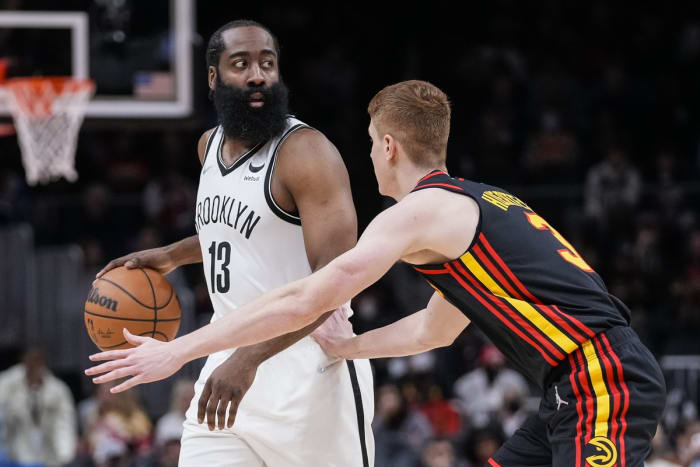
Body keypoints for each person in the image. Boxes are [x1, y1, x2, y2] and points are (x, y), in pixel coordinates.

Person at [87, 80, 667, 466]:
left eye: (369, 144)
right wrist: (348, 347)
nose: (366, 155)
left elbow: (306, 298)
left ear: (388, 147)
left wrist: (179, 351)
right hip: (570, 389)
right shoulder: (469, 207)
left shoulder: (416, 213)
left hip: (602, 379)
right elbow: (433, 332)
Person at [92, 19, 374, 467]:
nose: (257, 74)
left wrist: (249, 359)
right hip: (226, 359)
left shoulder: (307, 154)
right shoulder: (209, 147)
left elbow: (338, 284)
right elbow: (243, 232)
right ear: (213, 77)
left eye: (267, 63)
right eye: (240, 64)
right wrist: (173, 255)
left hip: (309, 370)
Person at [0, 348, 77, 466]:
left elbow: (64, 423)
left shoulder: (58, 390)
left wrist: (65, 454)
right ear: (23, 361)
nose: (33, 364)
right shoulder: (8, 383)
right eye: (30, 360)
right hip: (14, 451)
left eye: (37, 361)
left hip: (47, 453)